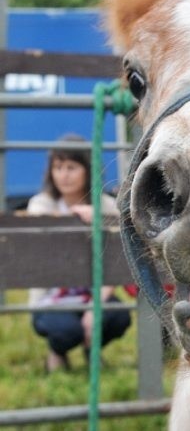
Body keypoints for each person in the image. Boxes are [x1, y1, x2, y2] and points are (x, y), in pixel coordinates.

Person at [27, 133, 131, 373]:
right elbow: (43, 256)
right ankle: (58, 350)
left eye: (71, 167)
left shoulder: (106, 205)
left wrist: (99, 218)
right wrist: (75, 220)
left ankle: (90, 348)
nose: (63, 175)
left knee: (118, 318)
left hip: (93, 293)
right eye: (58, 167)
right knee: (66, 331)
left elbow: (114, 259)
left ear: (87, 169)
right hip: (53, 296)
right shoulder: (40, 204)